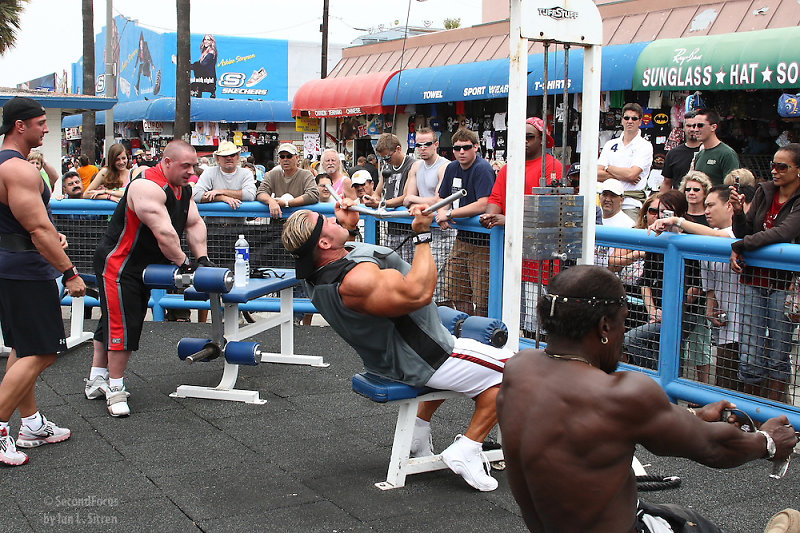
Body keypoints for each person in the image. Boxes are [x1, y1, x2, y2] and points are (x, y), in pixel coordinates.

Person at [497, 264, 798, 533]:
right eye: (622, 322)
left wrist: (693, 417)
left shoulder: (519, 368)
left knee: (674, 515)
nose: (623, 332)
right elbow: (715, 447)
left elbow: (591, 424)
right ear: (604, 327)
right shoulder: (621, 394)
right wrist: (768, 441)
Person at [281, 202, 509, 491]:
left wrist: (347, 228)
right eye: (324, 221)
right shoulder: (356, 281)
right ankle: (467, 448)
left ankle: (417, 431)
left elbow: (348, 259)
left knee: (487, 379)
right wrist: (423, 236)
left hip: (392, 360)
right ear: (324, 243)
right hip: (430, 357)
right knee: (515, 372)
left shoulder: (315, 273)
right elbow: (419, 292)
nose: (330, 216)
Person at [84, 140, 211, 417]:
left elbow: (194, 223)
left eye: (193, 166)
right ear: (166, 162)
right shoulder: (146, 186)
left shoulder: (184, 189)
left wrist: (201, 259)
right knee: (123, 324)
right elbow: (165, 234)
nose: (191, 172)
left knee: (114, 318)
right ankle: (115, 388)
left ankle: (96, 378)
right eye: (185, 166)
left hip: (141, 266)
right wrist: (184, 264)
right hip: (119, 264)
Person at [0, 96, 86, 466]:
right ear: (20, 126)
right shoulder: (18, 169)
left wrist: (51, 235)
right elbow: (35, 228)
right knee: (43, 351)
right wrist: (70, 273)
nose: (46, 128)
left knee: (22, 349)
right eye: (40, 123)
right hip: (25, 270)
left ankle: (31, 424)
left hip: (12, 264)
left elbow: (30, 224)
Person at [652, 185, 744, 391]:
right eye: (706, 206)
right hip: (725, 325)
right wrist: (710, 308)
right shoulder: (706, 238)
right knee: (726, 382)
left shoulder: (735, 232)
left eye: (711, 205)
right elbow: (709, 283)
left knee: (752, 384)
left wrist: (677, 220)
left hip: (749, 326)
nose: (707, 210)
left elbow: (721, 238)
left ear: (729, 206)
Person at [730, 143, 800, 401]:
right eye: (773, 165)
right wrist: (738, 214)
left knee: (778, 355)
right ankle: (752, 417)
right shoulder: (764, 191)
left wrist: (739, 246)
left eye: (782, 166)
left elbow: (784, 233)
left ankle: (774, 416)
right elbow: (744, 231)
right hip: (753, 279)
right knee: (749, 355)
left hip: (785, 284)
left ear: (798, 170)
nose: (775, 171)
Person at [481, 117, 562, 333]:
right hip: (509, 255)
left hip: (539, 260)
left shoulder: (554, 166)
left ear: (543, 140)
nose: (524, 141)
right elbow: (495, 199)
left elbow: (549, 211)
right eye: (521, 137)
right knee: (507, 319)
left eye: (530, 137)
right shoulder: (508, 168)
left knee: (535, 327)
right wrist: (490, 216)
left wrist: (507, 220)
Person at [624, 190, 700, 370]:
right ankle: (655, 384)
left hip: (683, 313)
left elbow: (696, 287)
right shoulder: (656, 239)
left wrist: (669, 312)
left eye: (667, 212)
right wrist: (653, 311)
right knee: (642, 344)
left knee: (635, 340)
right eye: (657, 212)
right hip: (656, 312)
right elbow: (645, 281)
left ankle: (658, 384)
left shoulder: (691, 240)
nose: (660, 217)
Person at [435, 128, 495, 317]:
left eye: (466, 147)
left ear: (475, 147)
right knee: (455, 289)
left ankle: (480, 333)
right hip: (462, 239)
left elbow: (484, 203)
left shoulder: (482, 168)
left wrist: (450, 213)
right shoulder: (452, 168)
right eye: (457, 148)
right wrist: (441, 211)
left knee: (482, 296)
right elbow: (441, 196)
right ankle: (462, 328)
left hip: (484, 242)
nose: (461, 152)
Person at [403, 127, 453, 304]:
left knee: (438, 283)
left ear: (436, 145)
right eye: (419, 144)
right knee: (417, 276)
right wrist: (426, 201)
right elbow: (407, 199)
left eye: (427, 144)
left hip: (442, 231)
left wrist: (419, 201)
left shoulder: (445, 166)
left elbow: (439, 199)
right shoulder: (416, 166)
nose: (422, 148)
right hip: (423, 229)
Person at [597, 103, 653, 220]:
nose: (630, 121)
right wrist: (625, 176)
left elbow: (632, 174)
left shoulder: (645, 146)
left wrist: (608, 168)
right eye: (626, 118)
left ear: (640, 121)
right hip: (607, 204)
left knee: (628, 237)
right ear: (622, 120)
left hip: (630, 204)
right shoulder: (610, 144)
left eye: (634, 118)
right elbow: (597, 174)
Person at [375, 133, 417, 262]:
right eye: (383, 159)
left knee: (407, 269)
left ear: (398, 149)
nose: (386, 161)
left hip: (408, 230)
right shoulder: (386, 166)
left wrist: (381, 204)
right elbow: (377, 192)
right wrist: (372, 200)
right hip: (391, 229)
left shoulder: (412, 165)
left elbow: (406, 197)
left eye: (388, 157)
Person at [256, 143, 318, 218]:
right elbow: (261, 193)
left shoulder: (306, 174)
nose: (285, 159)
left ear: (297, 158)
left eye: (289, 156)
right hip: (278, 219)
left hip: (299, 220)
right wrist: (271, 201)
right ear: (279, 159)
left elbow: (313, 195)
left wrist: (286, 203)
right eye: (282, 157)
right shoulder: (272, 174)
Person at [192, 141, 256, 208]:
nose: (229, 158)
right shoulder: (209, 172)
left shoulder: (246, 173)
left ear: (237, 157)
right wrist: (222, 198)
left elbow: (250, 195)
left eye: (232, 155)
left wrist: (220, 191)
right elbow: (195, 195)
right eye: (224, 156)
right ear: (218, 159)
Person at [691, 109, 740, 186]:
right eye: (694, 126)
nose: (695, 129)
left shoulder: (727, 154)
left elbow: (732, 187)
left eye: (700, 125)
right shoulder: (699, 155)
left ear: (713, 127)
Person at [660, 111, 701, 192]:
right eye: (689, 126)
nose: (692, 129)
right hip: (679, 201)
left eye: (695, 126)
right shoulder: (673, 154)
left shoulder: (708, 151)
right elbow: (666, 183)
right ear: (683, 128)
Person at [190, 34, 217, 98]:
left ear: (211, 41)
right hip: (203, 78)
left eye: (208, 39)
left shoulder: (211, 52)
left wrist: (186, 66)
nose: (206, 41)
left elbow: (202, 64)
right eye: (205, 39)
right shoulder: (205, 51)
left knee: (193, 88)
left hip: (208, 79)